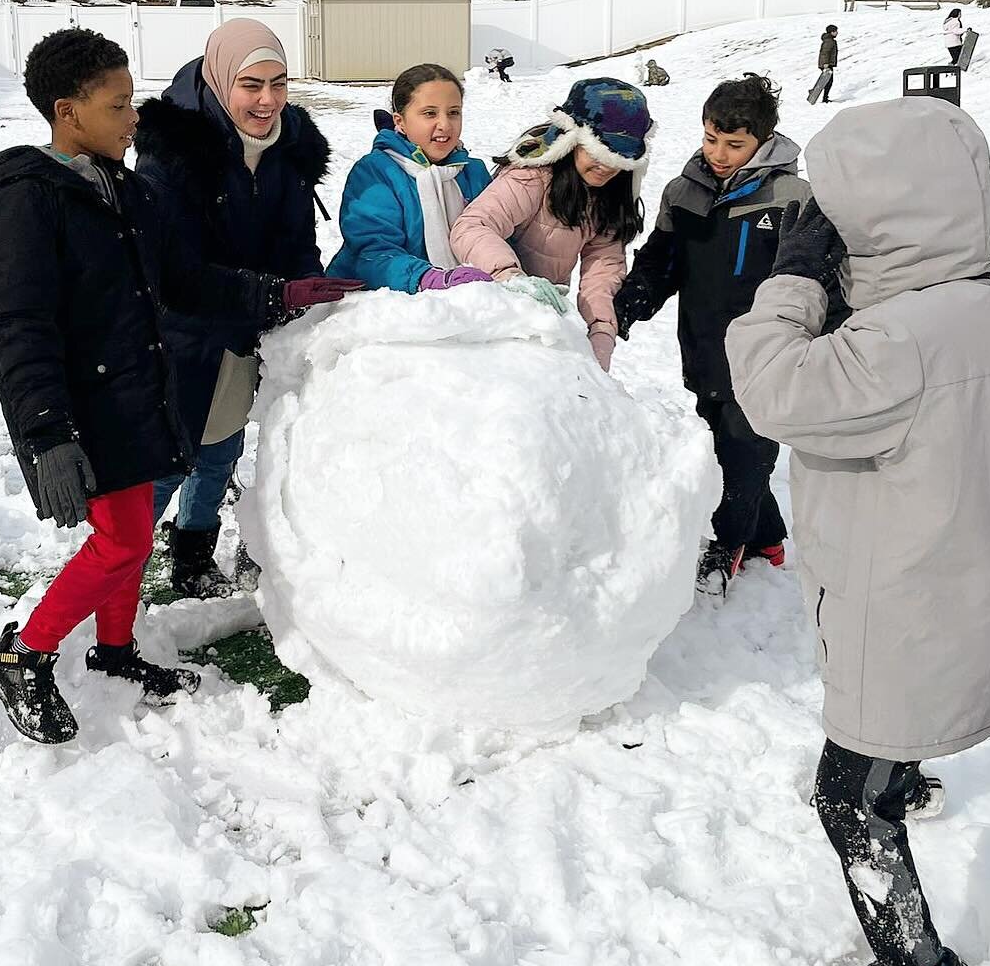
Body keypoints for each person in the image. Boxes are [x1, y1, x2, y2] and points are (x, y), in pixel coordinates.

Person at [0, 28, 346, 744]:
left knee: (128, 535)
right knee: (122, 544)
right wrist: (46, 434)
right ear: (68, 111)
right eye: (119, 104)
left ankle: (116, 651)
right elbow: (16, 327)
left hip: (135, 391)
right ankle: (20, 653)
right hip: (79, 408)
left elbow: (184, 279)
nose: (135, 117)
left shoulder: (122, 186)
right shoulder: (27, 201)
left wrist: (277, 294)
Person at [726, 96, 990, 966]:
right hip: (951, 584)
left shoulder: (893, 343)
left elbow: (771, 390)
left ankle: (913, 961)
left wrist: (793, 281)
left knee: (843, 796)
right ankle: (902, 772)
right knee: (887, 738)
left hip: (890, 604)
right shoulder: (985, 310)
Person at [133, 19, 359, 600]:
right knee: (168, 463)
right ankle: (117, 573)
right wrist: (272, 294)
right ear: (219, 78)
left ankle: (192, 551)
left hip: (245, 328)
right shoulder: (172, 154)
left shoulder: (290, 148)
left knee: (220, 452)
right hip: (178, 336)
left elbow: (295, 240)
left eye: (279, 83)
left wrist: (309, 284)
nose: (267, 100)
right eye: (250, 84)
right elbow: (176, 275)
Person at [613, 73, 808, 596]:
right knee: (726, 449)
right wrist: (625, 305)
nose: (719, 153)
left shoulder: (792, 197)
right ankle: (768, 538)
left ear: (764, 141)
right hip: (703, 350)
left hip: (768, 357)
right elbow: (661, 263)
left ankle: (727, 547)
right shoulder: (683, 193)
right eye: (710, 139)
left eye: (734, 144)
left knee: (744, 453)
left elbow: (813, 281)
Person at [450, 78, 650, 371]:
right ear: (571, 141)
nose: (607, 166)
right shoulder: (533, 179)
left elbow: (603, 267)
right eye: (597, 153)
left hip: (545, 322)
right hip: (492, 317)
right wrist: (511, 278)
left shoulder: (610, 193)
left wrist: (602, 331)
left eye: (619, 157)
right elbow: (472, 226)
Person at [329, 64, 494, 293]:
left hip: (459, 300)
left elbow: (498, 235)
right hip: (376, 302)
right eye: (430, 113)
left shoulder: (473, 172)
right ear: (400, 122)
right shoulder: (376, 172)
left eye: (454, 112)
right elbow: (372, 253)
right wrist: (428, 278)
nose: (445, 125)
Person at [817, 24, 838, 102]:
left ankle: (824, 97)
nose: (837, 33)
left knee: (827, 81)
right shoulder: (829, 41)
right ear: (831, 32)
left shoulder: (829, 40)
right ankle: (825, 98)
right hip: (826, 64)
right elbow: (825, 52)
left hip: (827, 63)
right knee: (828, 81)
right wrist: (826, 63)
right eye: (835, 31)